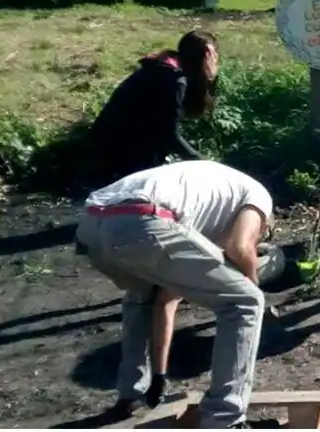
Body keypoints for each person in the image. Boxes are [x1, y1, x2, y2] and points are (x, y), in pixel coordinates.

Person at [74, 160, 279, 429]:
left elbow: (165, 300)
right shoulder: (258, 197)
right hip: (145, 220)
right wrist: (253, 285)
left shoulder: (204, 197)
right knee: (245, 301)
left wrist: (160, 375)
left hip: (93, 226)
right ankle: (225, 420)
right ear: (264, 225)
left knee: (142, 297)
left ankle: (133, 394)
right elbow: (240, 247)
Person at [89, 30, 219, 187]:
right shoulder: (173, 80)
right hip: (122, 150)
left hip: (112, 142)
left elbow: (188, 112)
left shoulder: (164, 69)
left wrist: (210, 79)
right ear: (207, 56)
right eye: (213, 56)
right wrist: (202, 162)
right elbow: (168, 134)